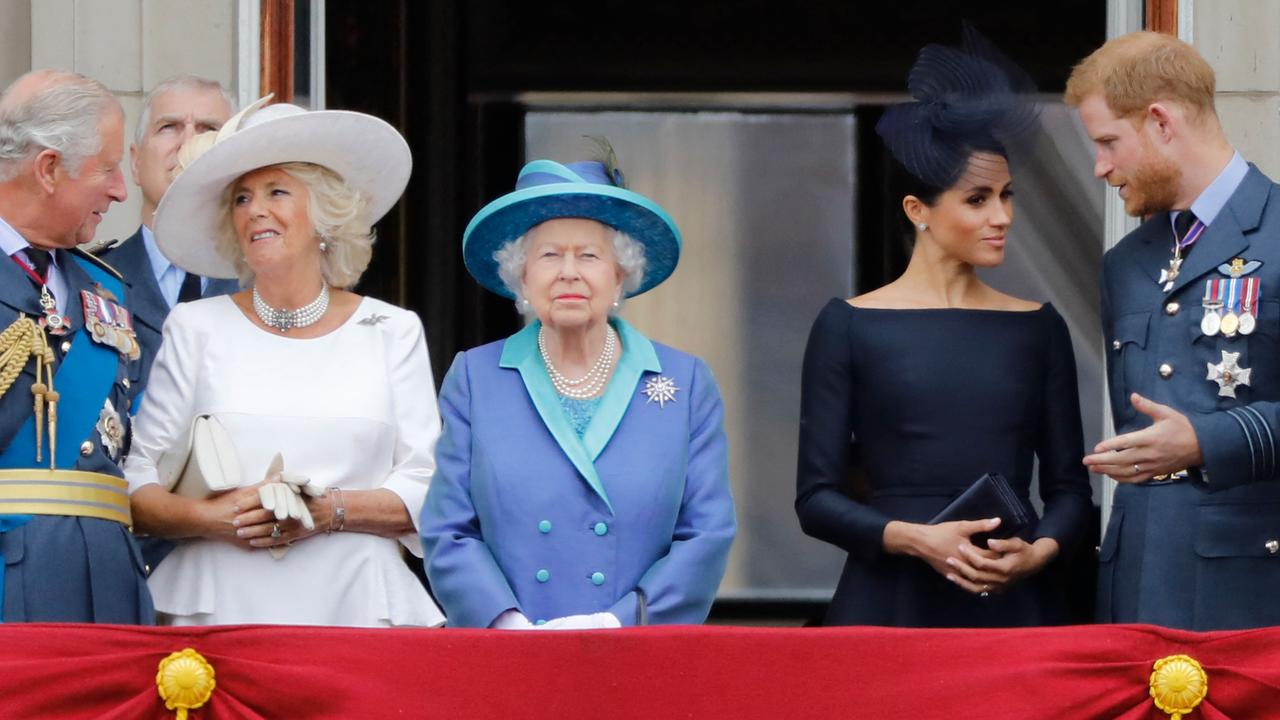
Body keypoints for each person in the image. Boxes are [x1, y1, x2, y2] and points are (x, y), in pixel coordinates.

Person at [795, 35, 1093, 627]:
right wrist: (913, 538)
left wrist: (1038, 553)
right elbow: (816, 501)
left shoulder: (1039, 328)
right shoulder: (848, 324)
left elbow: (1071, 493)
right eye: (978, 199)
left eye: (1007, 196)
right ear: (917, 211)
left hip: (1014, 604)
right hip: (890, 602)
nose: (1002, 216)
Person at [122, 98, 445, 627]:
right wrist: (209, 517)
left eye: (276, 192)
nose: (255, 210)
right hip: (217, 609)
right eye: (242, 198)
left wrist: (328, 511)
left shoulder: (392, 331)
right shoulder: (195, 325)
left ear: (324, 215)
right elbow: (136, 476)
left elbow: (427, 485)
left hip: (357, 605)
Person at [420, 148, 736, 628]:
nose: (569, 271)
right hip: (509, 654)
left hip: (634, 653)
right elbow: (449, 530)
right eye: (549, 255)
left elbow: (707, 533)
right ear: (522, 277)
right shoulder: (476, 378)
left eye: (589, 255)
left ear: (620, 275)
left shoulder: (685, 382)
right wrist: (505, 623)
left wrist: (617, 622)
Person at [1069, 32, 1280, 630]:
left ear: (1160, 122)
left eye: (1109, 142)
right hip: (1133, 584)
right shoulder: (1126, 262)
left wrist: (1207, 441)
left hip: (1250, 591)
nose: (1101, 167)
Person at [0, 69, 152, 623]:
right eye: (108, 168)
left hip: (110, 583)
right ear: (48, 168)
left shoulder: (105, 286)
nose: (120, 189)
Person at [98, 75, 239, 390]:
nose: (188, 142)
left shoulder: (265, 284)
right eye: (169, 127)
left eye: (208, 130)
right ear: (135, 163)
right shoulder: (92, 281)